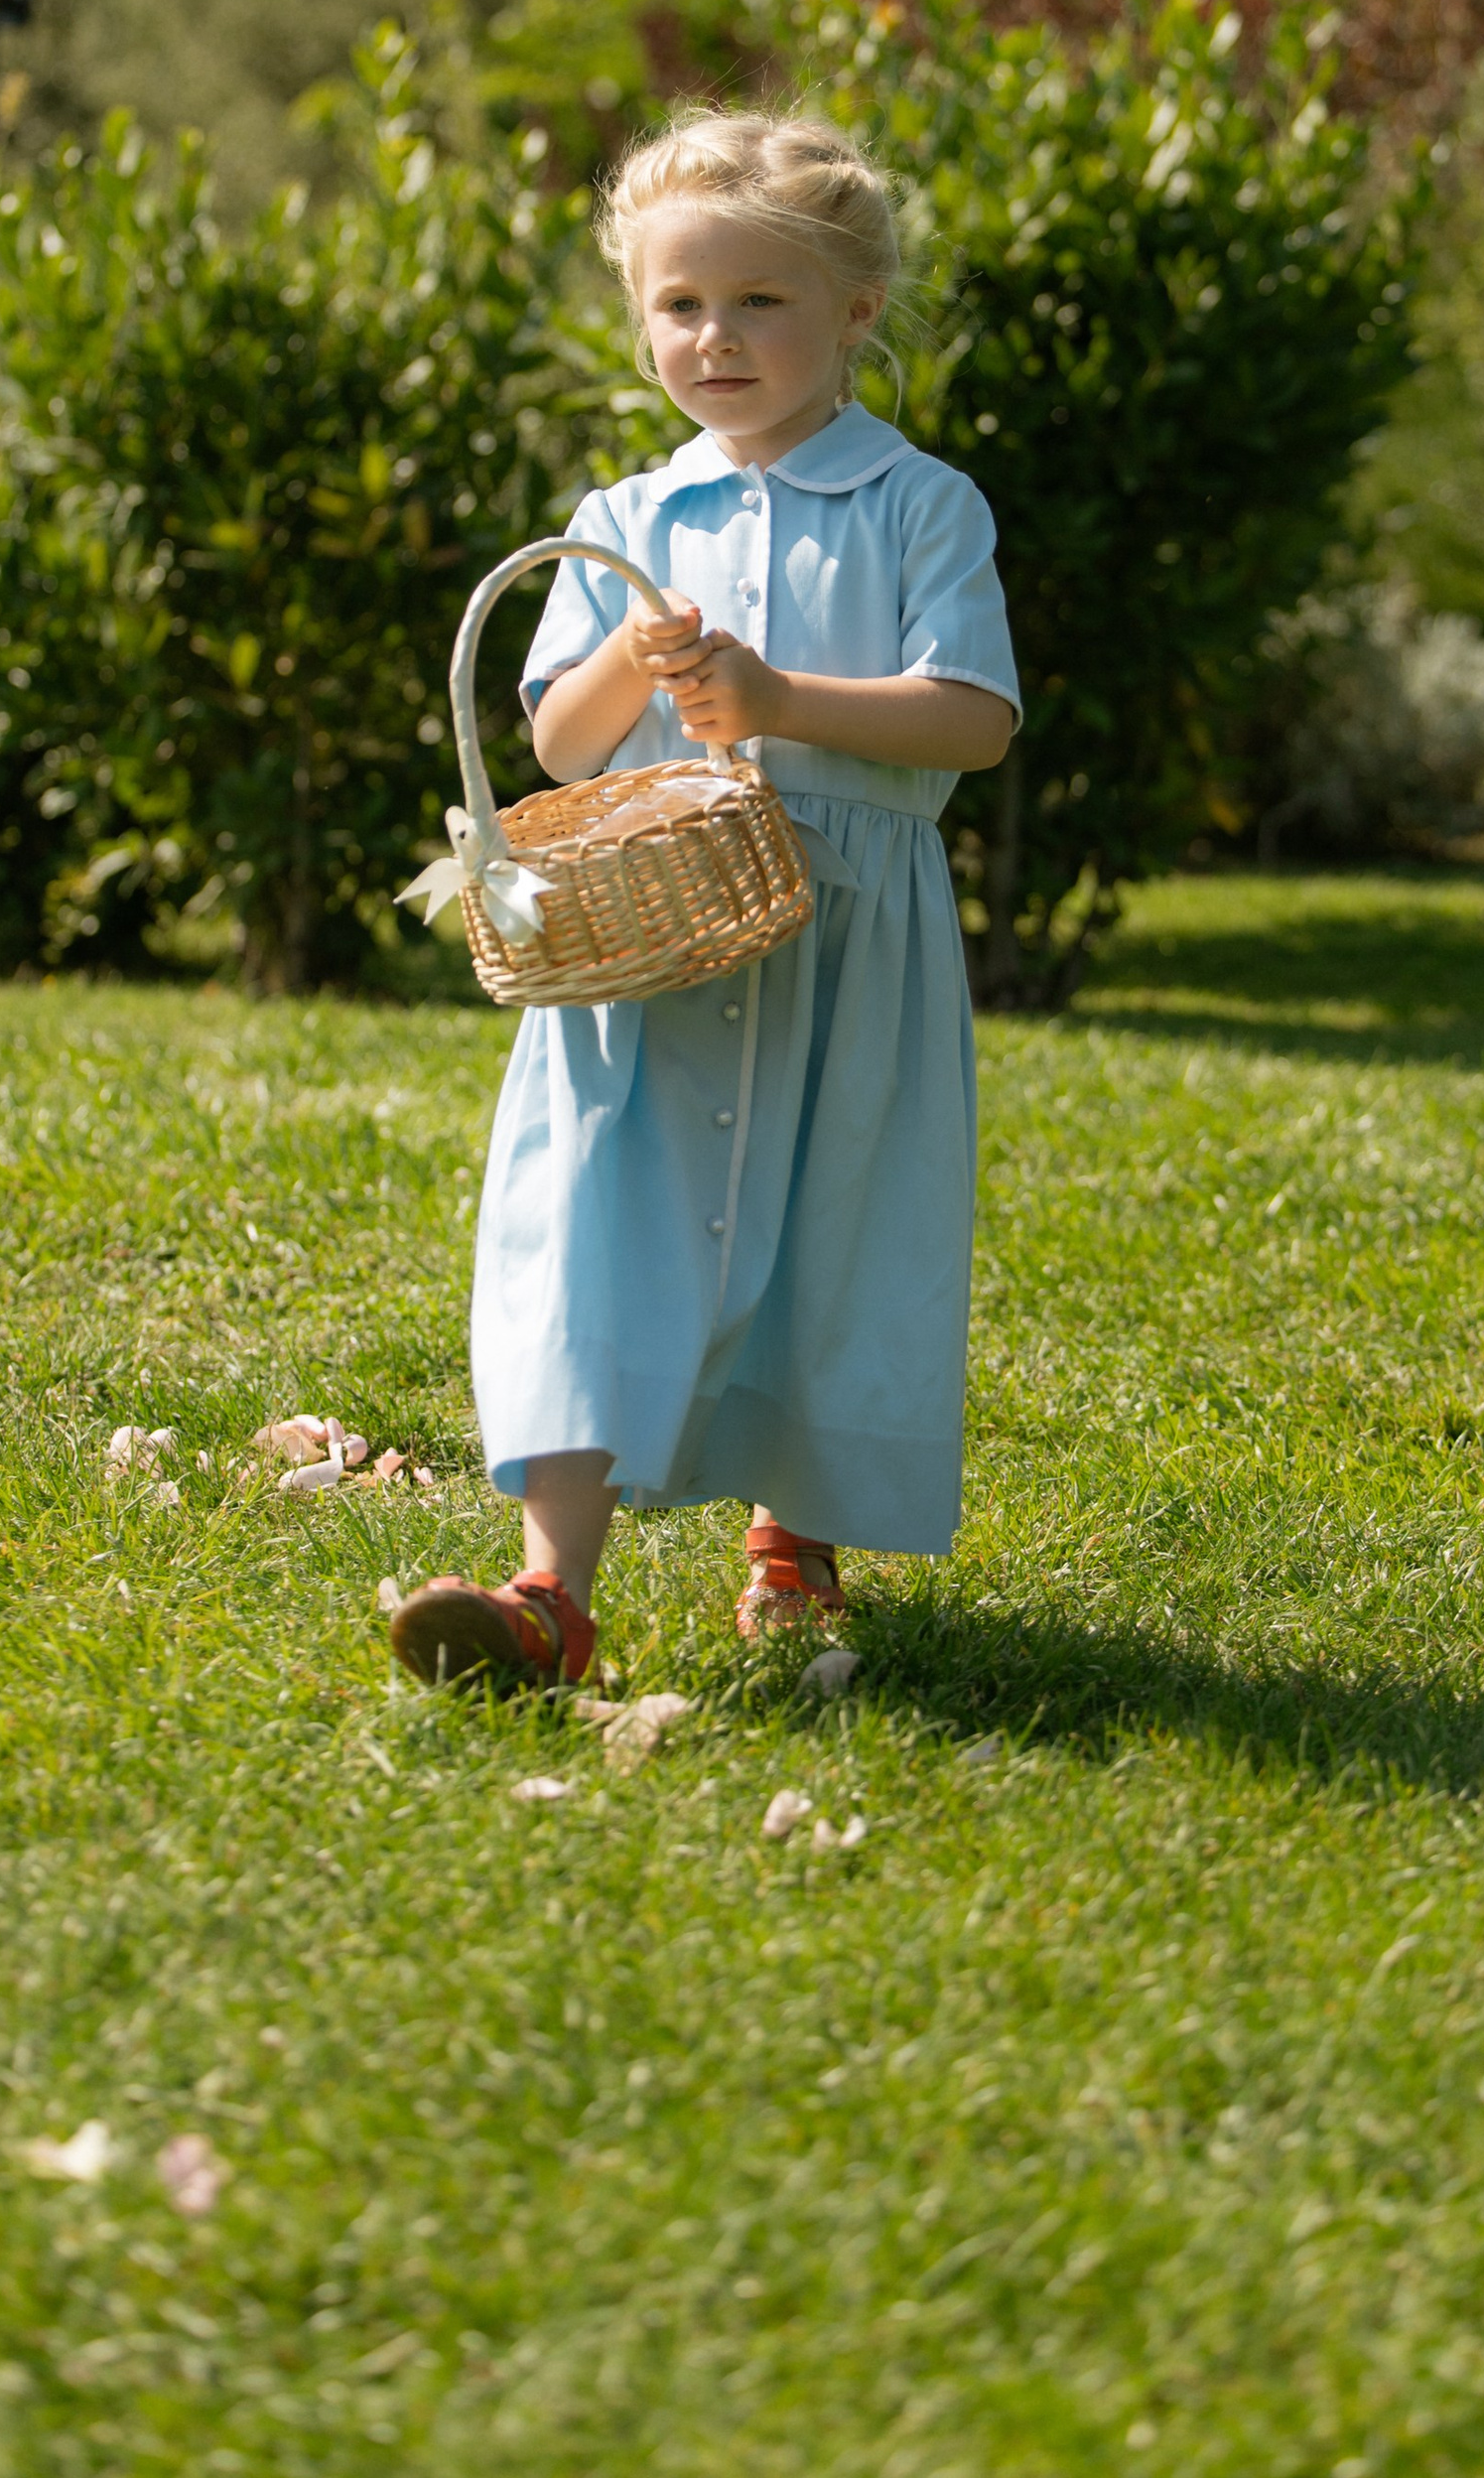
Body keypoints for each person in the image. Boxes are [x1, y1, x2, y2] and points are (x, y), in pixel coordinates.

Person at [391, 111, 1020, 1688]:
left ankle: (794, 1539)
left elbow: (974, 718)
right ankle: (549, 1594)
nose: (714, 339)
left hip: (842, 932)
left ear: (856, 312)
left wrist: (780, 693)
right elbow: (557, 740)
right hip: (647, 954)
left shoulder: (919, 505)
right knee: (594, 1227)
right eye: (680, 306)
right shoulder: (621, 519)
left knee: (831, 1225)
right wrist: (632, 638)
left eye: (760, 303)